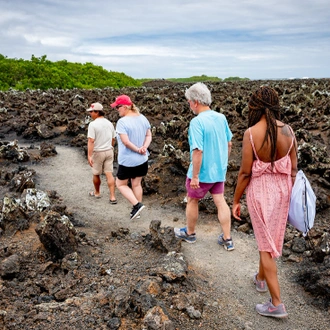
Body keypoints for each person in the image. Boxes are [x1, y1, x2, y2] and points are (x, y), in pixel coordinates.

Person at [232, 86, 298, 318]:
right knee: (269, 238)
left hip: (260, 192)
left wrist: (236, 200)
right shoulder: (289, 131)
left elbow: (245, 173)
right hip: (283, 191)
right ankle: (261, 279)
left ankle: (277, 304)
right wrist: (288, 191)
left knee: (265, 246)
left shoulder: (251, 133)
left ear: (255, 106)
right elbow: (294, 169)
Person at [174, 82, 234, 250]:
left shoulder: (197, 122)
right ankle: (227, 239)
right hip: (219, 171)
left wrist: (195, 175)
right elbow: (229, 143)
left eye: (189, 101)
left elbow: (198, 151)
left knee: (192, 200)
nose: (189, 105)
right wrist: (223, 164)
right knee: (220, 201)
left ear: (195, 102)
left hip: (202, 173)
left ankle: (190, 234)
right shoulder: (221, 118)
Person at [110, 95, 152, 220]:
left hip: (128, 161)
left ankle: (136, 205)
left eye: (118, 107)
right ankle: (137, 211)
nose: (117, 110)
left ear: (126, 106)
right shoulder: (143, 118)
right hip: (143, 159)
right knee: (136, 184)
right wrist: (144, 147)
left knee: (121, 184)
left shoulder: (122, 122)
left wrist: (138, 149)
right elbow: (149, 135)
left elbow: (126, 142)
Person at [86, 102, 117, 203]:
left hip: (98, 152)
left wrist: (89, 155)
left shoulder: (93, 125)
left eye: (91, 112)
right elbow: (113, 139)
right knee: (109, 174)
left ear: (97, 112)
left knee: (96, 173)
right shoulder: (109, 123)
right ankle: (112, 197)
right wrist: (111, 147)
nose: (90, 114)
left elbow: (91, 140)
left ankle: (97, 192)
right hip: (109, 151)